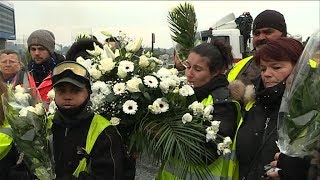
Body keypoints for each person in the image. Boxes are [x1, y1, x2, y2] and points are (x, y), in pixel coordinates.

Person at [158, 41, 240, 179]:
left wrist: (160, 136)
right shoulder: (183, 94)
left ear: (216, 72)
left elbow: (205, 154)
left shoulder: (223, 104)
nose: (189, 74)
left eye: (197, 69)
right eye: (188, 66)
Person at [233, 37, 304, 180]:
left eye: (276, 67)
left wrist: (307, 171)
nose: (267, 74)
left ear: (300, 68)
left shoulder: (310, 112)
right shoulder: (250, 105)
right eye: (263, 68)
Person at [227, 10, 287, 85]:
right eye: (256, 33)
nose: (260, 38)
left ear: (283, 34)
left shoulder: (299, 64)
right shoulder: (240, 65)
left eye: (268, 32)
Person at [27, 29, 65, 103]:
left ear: (50, 50)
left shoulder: (64, 72)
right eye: (33, 49)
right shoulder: (25, 73)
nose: (37, 53)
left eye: (41, 49)